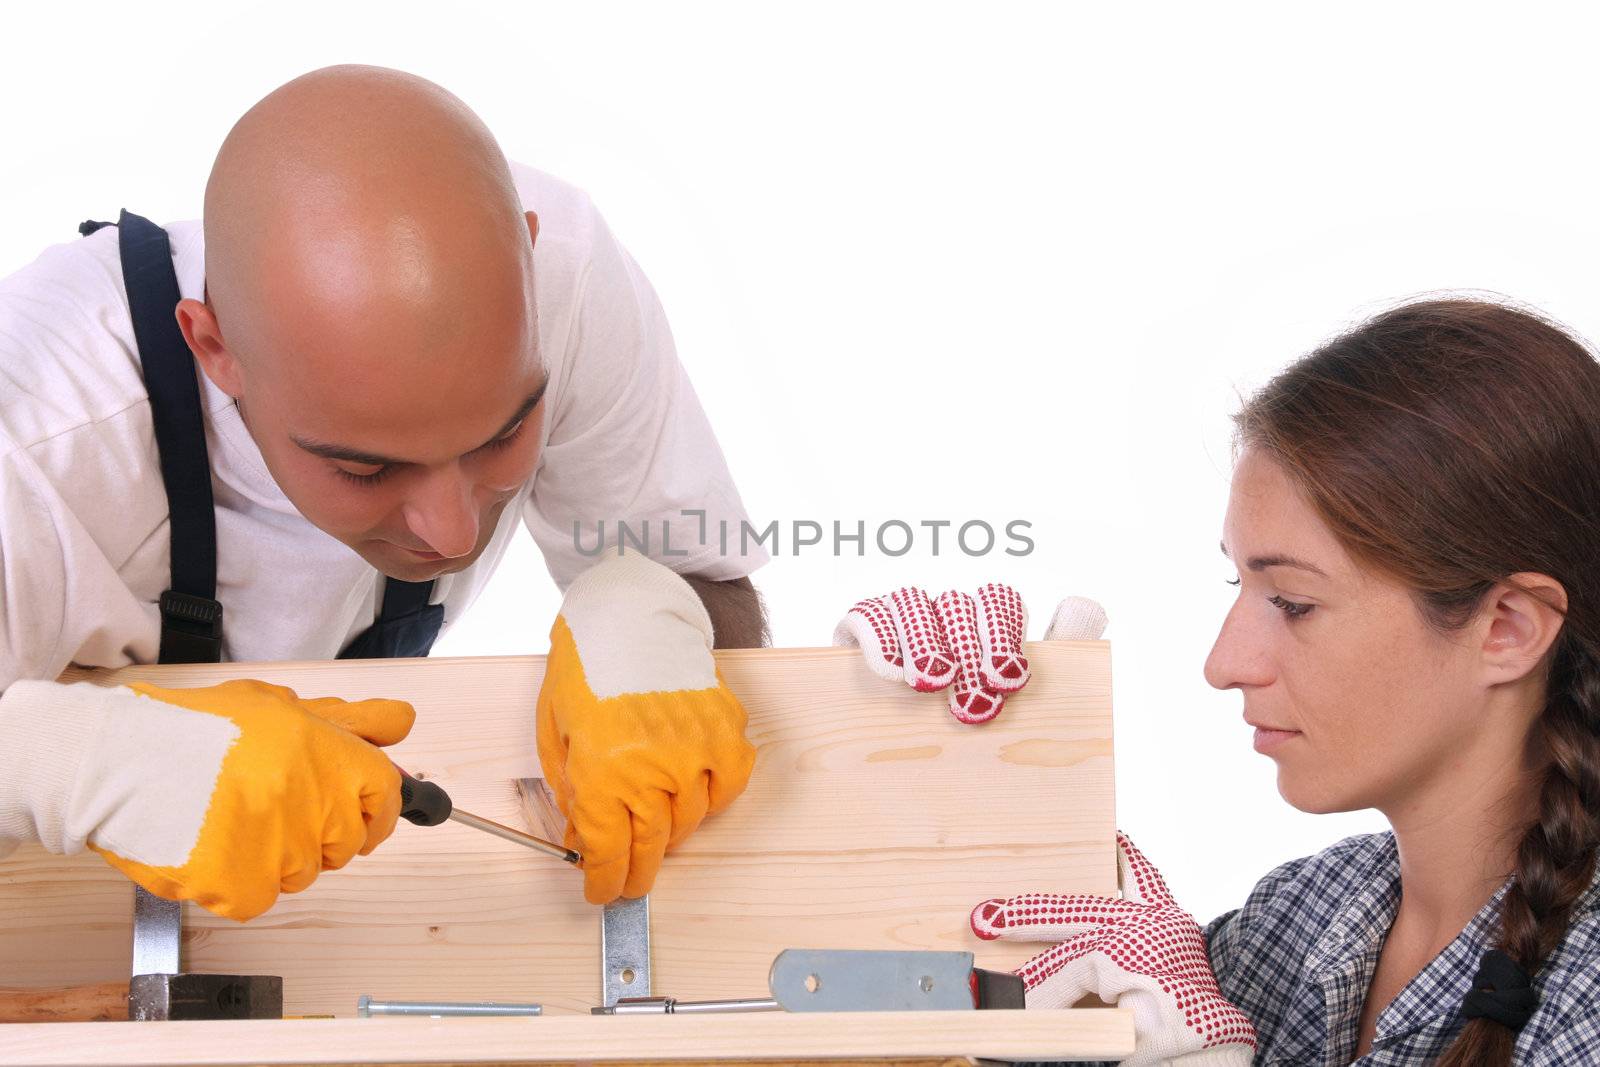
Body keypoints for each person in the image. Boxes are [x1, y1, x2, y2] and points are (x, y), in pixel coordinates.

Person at [0, 65, 767, 920]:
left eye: (501, 434)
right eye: (365, 470)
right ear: (213, 348)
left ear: (528, 251)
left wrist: (652, 603)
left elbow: (713, 590)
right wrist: (71, 766)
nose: (452, 532)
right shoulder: (36, 430)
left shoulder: (563, 280)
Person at [845, 299, 1600, 1065]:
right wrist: (966, 796)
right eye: (1236, 583)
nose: (1224, 662)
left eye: (1294, 603)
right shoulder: (1293, 924)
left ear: (1507, 627)